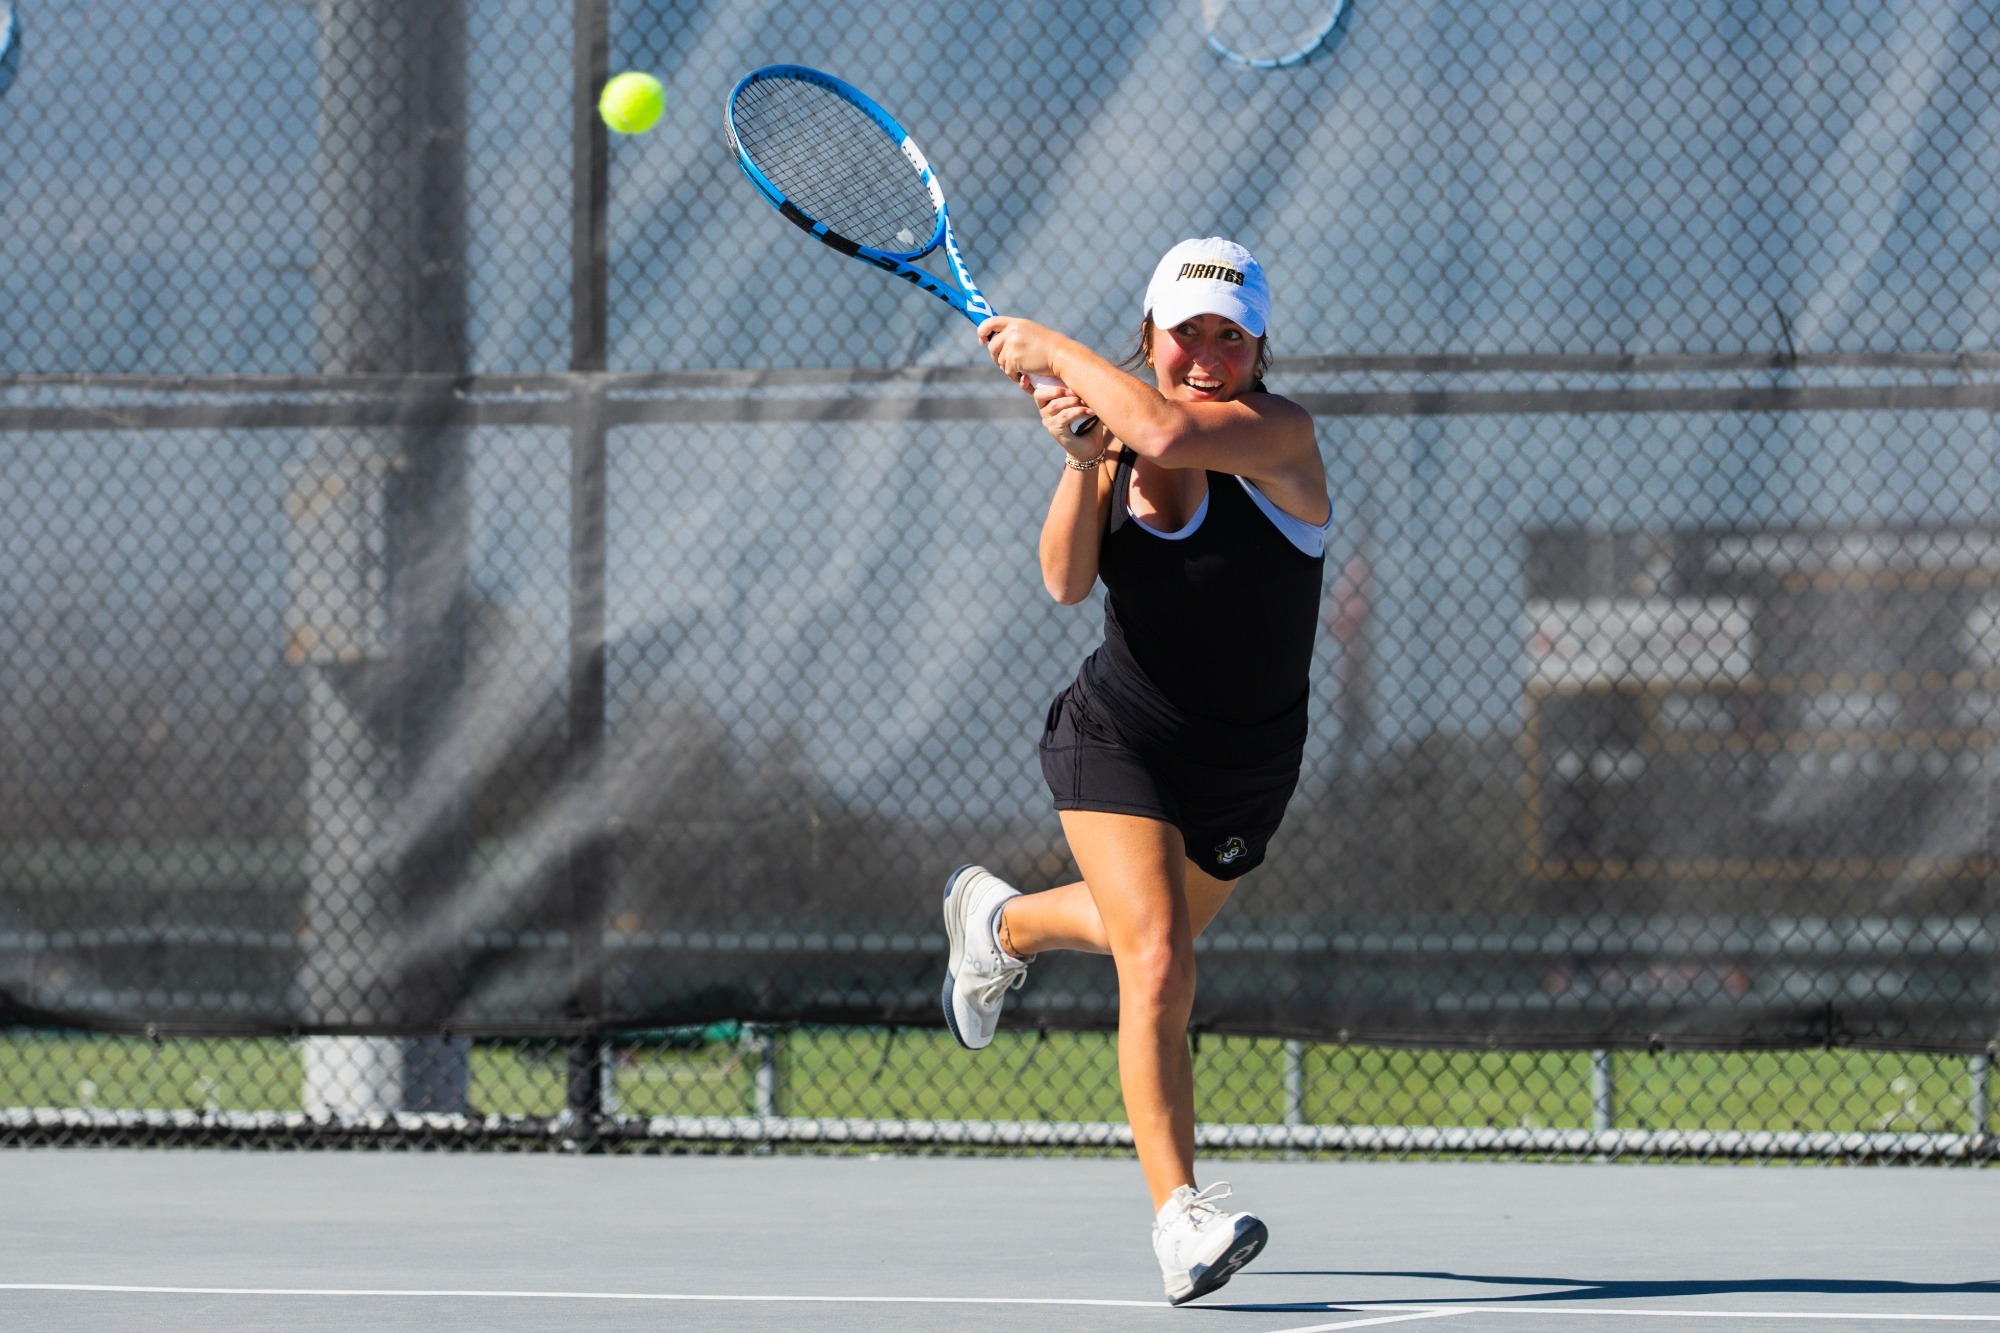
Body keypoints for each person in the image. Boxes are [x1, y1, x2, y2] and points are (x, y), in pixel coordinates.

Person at [940, 237, 1331, 1305]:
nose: (1205, 354)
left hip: (1250, 763)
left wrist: (1047, 346)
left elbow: (1164, 423)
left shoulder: (1278, 435)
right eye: (1184, 333)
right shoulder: (1114, 446)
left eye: (1228, 336)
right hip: (1119, 737)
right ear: (1149, 336)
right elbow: (1065, 580)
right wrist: (1078, 464)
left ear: (1256, 349)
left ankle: (1000, 924)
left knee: (1153, 931)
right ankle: (1180, 1218)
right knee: (1155, 957)